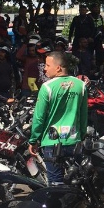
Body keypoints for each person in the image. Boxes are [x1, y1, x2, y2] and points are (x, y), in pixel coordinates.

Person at [29, 51, 88, 184]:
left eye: (47, 65)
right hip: (74, 141)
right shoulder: (81, 85)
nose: (44, 68)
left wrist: (33, 140)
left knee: (56, 183)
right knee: (76, 182)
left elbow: (39, 117)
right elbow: (84, 115)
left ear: (58, 68)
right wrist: (82, 134)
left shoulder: (47, 87)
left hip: (51, 143)